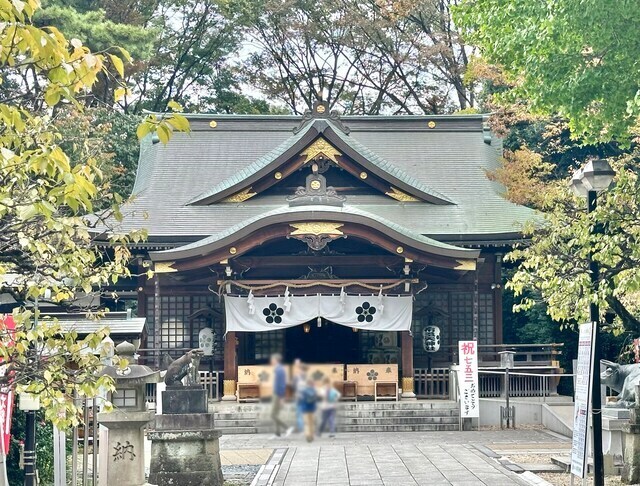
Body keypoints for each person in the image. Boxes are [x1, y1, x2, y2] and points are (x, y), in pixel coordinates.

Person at [270, 353, 293, 438]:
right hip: (277, 393)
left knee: (273, 414)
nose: (271, 361)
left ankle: (287, 428)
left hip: (278, 394)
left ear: (276, 360)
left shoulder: (279, 370)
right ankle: (277, 432)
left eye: (272, 359)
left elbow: (282, 384)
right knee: (275, 414)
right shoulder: (278, 369)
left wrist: (282, 397)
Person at [300, 378, 318, 442]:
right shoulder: (314, 390)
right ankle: (312, 435)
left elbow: (301, 400)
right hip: (312, 409)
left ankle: (308, 435)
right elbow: (316, 400)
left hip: (305, 409)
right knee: (312, 423)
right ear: (312, 384)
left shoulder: (303, 391)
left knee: (306, 423)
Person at [292, 359, 306, 432]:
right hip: (303, 397)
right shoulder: (305, 376)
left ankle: (301, 428)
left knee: (299, 413)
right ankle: (303, 428)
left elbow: (293, 386)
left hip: (299, 396)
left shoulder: (296, 377)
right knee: (302, 413)